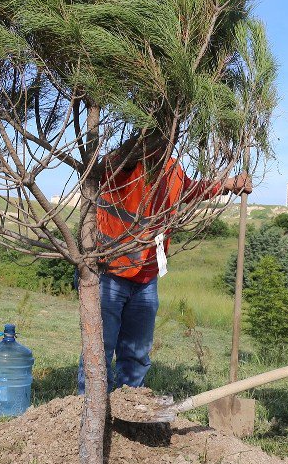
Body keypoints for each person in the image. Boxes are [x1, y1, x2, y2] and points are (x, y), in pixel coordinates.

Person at [77, 145, 251, 394]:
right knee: (99, 349)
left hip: (146, 277)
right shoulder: (125, 160)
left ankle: (129, 411)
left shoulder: (172, 168)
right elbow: (98, 170)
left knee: (137, 353)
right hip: (108, 272)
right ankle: (91, 409)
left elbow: (189, 190)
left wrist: (228, 183)